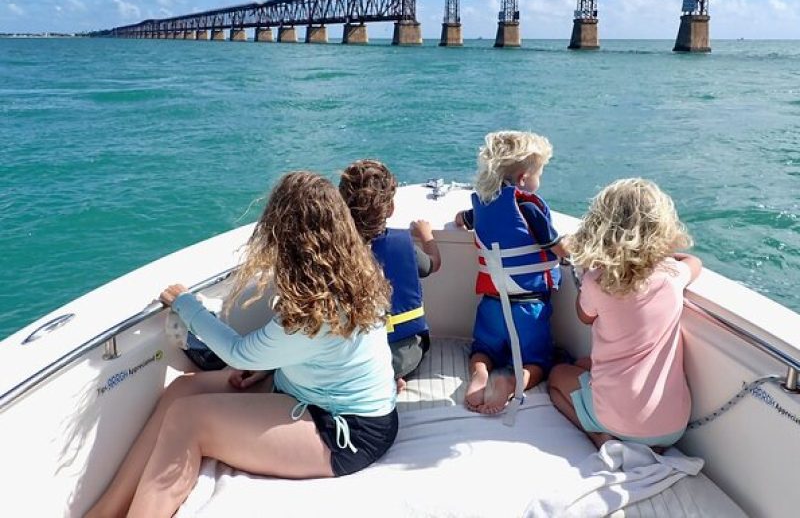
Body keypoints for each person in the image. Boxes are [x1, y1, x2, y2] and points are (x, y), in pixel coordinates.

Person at [86, 171, 398, 518]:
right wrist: (269, 367)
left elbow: (238, 352)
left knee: (188, 419)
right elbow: (318, 353)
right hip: (307, 389)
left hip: (346, 431)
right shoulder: (350, 272)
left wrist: (186, 305)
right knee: (181, 390)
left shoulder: (318, 309)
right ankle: (104, 511)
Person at [548, 178, 702, 450]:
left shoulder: (598, 281)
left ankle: (599, 437)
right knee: (585, 363)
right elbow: (694, 262)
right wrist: (664, 258)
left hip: (616, 421)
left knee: (557, 377)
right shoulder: (672, 277)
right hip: (673, 427)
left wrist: (587, 274)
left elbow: (584, 317)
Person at [455, 131, 568, 414]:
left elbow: (463, 219)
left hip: (492, 305)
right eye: (539, 173)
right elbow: (558, 249)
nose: (538, 180)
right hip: (529, 308)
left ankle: (480, 373)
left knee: (482, 349)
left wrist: (460, 218)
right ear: (522, 179)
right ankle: (513, 381)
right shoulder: (528, 205)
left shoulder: (481, 205)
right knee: (540, 362)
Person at [339, 159, 441, 392]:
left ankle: (380, 380)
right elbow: (434, 265)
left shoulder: (336, 251)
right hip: (405, 352)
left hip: (355, 355)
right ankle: (389, 378)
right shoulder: (402, 244)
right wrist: (427, 237)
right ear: (391, 208)